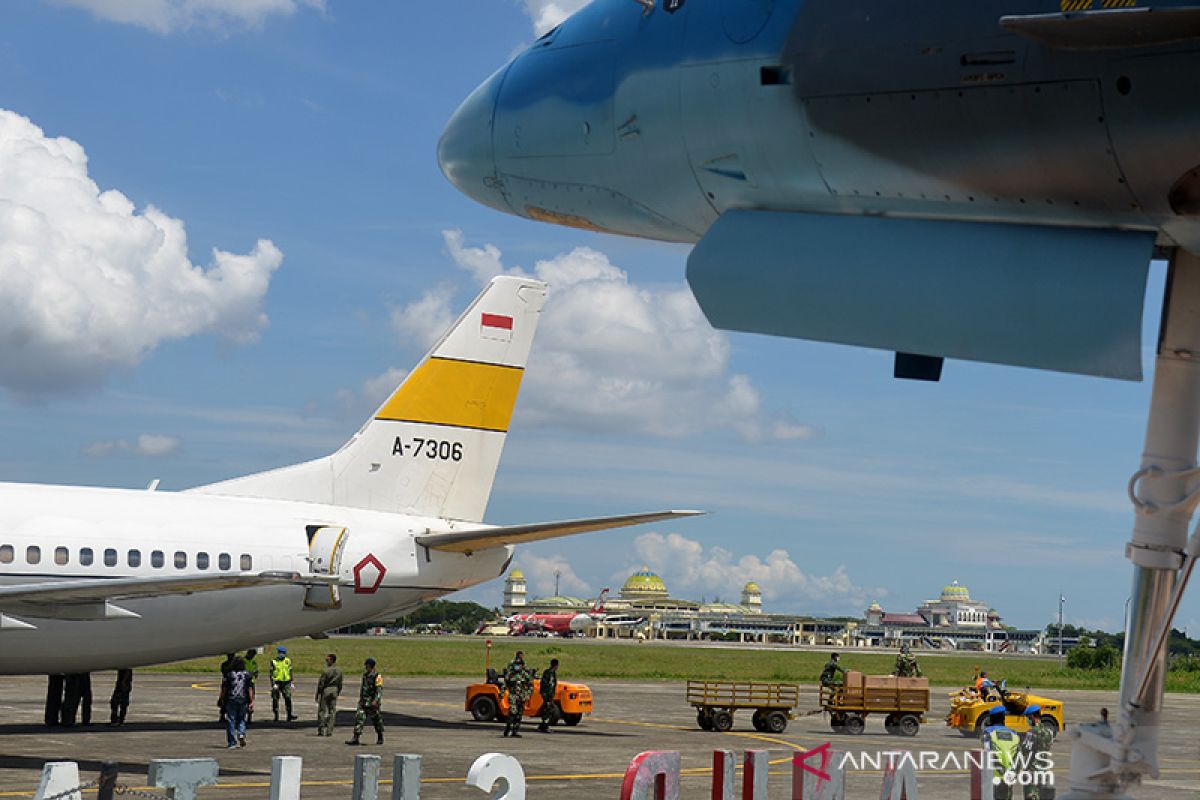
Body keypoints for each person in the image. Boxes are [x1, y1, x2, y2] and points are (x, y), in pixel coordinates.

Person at [982, 705, 1020, 800]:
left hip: (994, 775)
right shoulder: (1014, 734)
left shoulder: (988, 733)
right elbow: (1018, 757)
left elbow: (987, 753)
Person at [346, 658, 384, 745]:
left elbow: (379, 690)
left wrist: (376, 700)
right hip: (363, 702)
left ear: (370, 666)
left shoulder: (378, 676)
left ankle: (380, 736)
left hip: (372, 702)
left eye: (366, 665)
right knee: (359, 719)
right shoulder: (365, 675)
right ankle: (356, 738)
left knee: (376, 720)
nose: (365, 667)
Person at [1020, 705, 1055, 800]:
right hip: (1044, 770)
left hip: (1032, 771)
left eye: (1028, 717)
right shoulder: (1049, 732)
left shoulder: (1032, 732)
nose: (1028, 720)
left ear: (1032, 716)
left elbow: (1024, 749)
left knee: (1031, 795)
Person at [219, 657, 254, 749]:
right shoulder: (247, 675)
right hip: (243, 699)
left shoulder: (229, 675)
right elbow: (250, 689)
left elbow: (224, 689)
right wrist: (251, 701)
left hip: (231, 699)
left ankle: (232, 742)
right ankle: (241, 733)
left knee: (231, 720)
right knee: (242, 719)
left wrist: (221, 698)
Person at [502, 651, 533, 738]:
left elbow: (530, 685)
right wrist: (501, 694)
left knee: (519, 714)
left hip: (521, 696)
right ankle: (508, 727)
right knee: (512, 712)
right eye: (516, 664)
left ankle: (515, 731)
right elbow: (505, 684)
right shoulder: (510, 675)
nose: (517, 666)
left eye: (519, 665)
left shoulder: (525, 675)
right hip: (513, 696)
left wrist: (528, 694)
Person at [315, 653, 344, 737]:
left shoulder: (326, 671)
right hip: (335, 690)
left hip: (326, 689)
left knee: (322, 711)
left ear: (331, 660)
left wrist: (318, 693)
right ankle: (329, 730)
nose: (326, 661)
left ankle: (321, 729)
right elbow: (340, 683)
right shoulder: (339, 670)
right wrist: (338, 691)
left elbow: (321, 683)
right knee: (332, 711)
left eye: (327, 660)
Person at [270, 646, 297, 722]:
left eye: (283, 653)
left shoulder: (288, 661)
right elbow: (271, 674)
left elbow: (290, 671)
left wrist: (292, 681)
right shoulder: (274, 661)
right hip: (277, 682)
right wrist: (273, 684)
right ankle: (276, 715)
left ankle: (289, 715)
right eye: (281, 653)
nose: (282, 654)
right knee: (275, 699)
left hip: (286, 682)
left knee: (288, 698)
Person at [537, 658, 560, 733]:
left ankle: (543, 725)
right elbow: (544, 685)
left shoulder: (553, 673)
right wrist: (545, 695)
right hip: (547, 695)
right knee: (548, 710)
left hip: (550, 695)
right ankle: (545, 726)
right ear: (555, 665)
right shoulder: (547, 673)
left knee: (548, 709)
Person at [218, 653, 236, 723]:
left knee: (225, 699)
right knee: (225, 700)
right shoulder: (229, 665)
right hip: (229, 683)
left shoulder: (224, 664)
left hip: (228, 682)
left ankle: (224, 715)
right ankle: (223, 715)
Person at [244, 649, 260, 724]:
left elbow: (256, 673)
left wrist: (253, 678)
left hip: (251, 683)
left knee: (251, 699)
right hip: (243, 683)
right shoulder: (243, 661)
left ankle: (249, 717)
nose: (252, 656)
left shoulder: (254, 663)